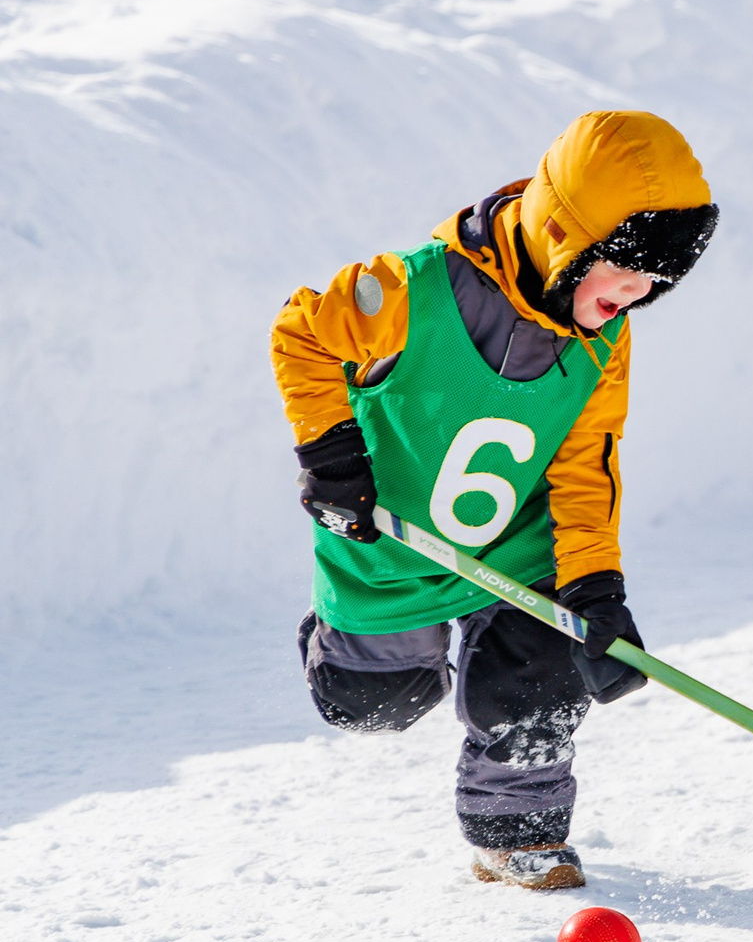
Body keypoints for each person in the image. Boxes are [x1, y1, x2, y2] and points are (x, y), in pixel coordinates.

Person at [272, 111, 717, 887]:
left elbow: (589, 465)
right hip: (392, 541)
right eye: (625, 267)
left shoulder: (604, 340)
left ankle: (517, 834)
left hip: (514, 544)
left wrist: (594, 588)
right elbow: (301, 332)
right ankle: (336, 647)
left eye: (657, 279)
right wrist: (332, 450)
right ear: (566, 235)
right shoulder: (411, 288)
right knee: (372, 705)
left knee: (544, 664)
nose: (639, 292)